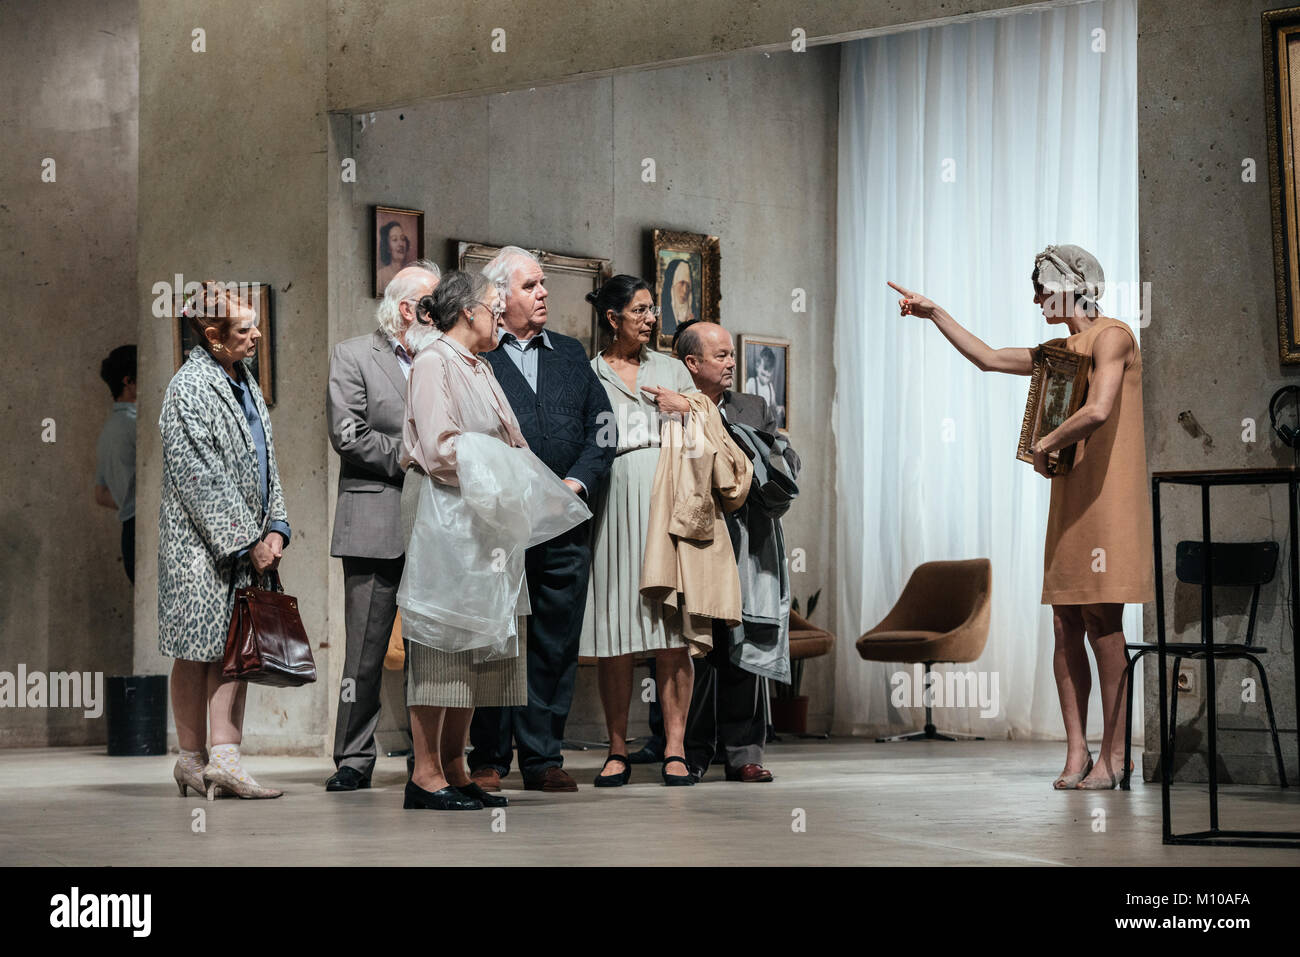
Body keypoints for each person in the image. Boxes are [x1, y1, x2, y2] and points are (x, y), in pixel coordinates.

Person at [889, 243, 1153, 790]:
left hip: (1108, 498)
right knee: (1064, 625)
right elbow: (987, 357)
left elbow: (1099, 409)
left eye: (1041, 286)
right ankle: (1077, 752)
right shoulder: (1060, 350)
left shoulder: (1114, 336)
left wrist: (1044, 443)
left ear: (1068, 283)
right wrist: (933, 312)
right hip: (1072, 497)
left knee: (1104, 624)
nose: (1034, 297)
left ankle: (1117, 755)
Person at [396, 270, 590, 810]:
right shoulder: (434, 361)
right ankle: (426, 775)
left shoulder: (479, 365)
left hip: (484, 519)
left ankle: (458, 768)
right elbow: (439, 449)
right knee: (442, 641)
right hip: (446, 513)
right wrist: (504, 465)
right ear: (466, 313)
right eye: (492, 306)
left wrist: (523, 475)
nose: (499, 315)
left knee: (481, 644)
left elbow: (513, 441)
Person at [468, 247, 616, 793]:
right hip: (499, 527)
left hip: (563, 524)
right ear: (500, 298)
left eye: (544, 284)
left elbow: (603, 429)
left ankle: (542, 757)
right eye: (532, 285)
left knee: (554, 641)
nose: (544, 293)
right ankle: (487, 755)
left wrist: (575, 482)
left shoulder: (571, 354)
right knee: (496, 638)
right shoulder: (478, 356)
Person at [158, 281, 292, 800]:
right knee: (202, 651)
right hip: (200, 551)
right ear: (212, 336)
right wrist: (246, 541)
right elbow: (200, 478)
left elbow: (267, 462)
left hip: (245, 545)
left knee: (233, 651)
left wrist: (276, 527)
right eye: (244, 328)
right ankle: (197, 760)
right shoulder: (188, 389)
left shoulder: (245, 382)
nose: (257, 334)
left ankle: (223, 758)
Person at [324, 261, 440, 792]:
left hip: (436, 525)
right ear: (407, 309)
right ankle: (353, 757)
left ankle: (430, 761)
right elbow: (348, 434)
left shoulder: (444, 359)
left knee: (433, 652)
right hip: (376, 520)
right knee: (366, 653)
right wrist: (412, 456)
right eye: (434, 305)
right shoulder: (353, 355)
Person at [580, 275, 699, 786]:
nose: (652, 318)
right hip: (612, 506)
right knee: (616, 632)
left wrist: (686, 406)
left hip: (668, 503)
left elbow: (711, 424)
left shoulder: (672, 368)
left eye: (654, 309)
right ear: (613, 318)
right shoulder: (589, 374)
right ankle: (616, 748)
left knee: (672, 632)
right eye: (641, 310)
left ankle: (675, 749)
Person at [678, 321, 801, 783]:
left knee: (743, 643)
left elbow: (784, 461)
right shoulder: (672, 402)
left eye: (733, 355)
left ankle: (744, 752)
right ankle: (688, 751)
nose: (732, 363)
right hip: (695, 538)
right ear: (692, 363)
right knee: (696, 646)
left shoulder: (753, 406)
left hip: (748, 539)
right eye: (722, 356)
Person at [95, 345, 137, 583]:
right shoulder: (134, 427)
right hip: (142, 530)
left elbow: (100, 495)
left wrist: (126, 500)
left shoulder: (107, 431)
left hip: (128, 536)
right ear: (128, 381)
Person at [743, 345, 785, 429]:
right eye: (763, 375)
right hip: (752, 424)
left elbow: (773, 404)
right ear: (757, 367)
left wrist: (779, 409)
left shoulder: (770, 387)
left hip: (765, 425)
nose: (765, 380)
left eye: (768, 377)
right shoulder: (752, 383)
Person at [660, 258, 696, 337]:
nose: (685, 290)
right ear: (672, 284)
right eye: (681, 283)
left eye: (688, 285)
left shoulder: (694, 318)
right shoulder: (660, 315)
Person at [376, 221, 413, 293]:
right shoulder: (381, 276)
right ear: (387, 247)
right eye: (394, 239)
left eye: (402, 239)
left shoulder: (412, 275)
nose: (401, 244)